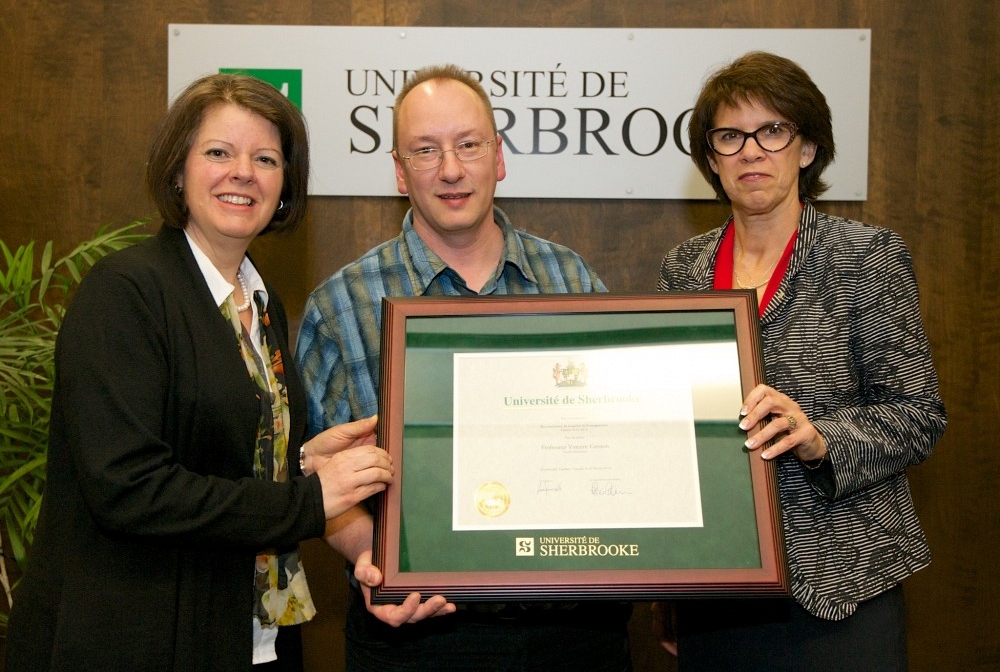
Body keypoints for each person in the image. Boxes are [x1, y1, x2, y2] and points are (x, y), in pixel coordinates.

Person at [5, 73, 394, 672]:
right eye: (218, 152)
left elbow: (213, 456)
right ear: (177, 170)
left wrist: (300, 462)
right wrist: (308, 500)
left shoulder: (261, 303)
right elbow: (129, 488)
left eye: (265, 158)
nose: (243, 172)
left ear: (284, 186)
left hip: (255, 635)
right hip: (142, 639)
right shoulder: (125, 293)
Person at [295, 64, 633, 671]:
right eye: (425, 150)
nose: (451, 169)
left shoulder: (572, 281)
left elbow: (620, 441)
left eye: (468, 145)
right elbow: (320, 481)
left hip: (574, 631)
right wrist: (375, 557)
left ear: (498, 157)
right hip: (415, 633)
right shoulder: (338, 305)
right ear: (400, 171)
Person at [654, 51, 947, 671]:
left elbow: (920, 417)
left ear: (807, 148)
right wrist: (670, 593)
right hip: (719, 584)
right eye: (729, 136)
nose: (751, 151)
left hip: (844, 584)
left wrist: (820, 438)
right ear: (711, 159)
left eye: (773, 130)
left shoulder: (866, 258)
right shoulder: (683, 270)